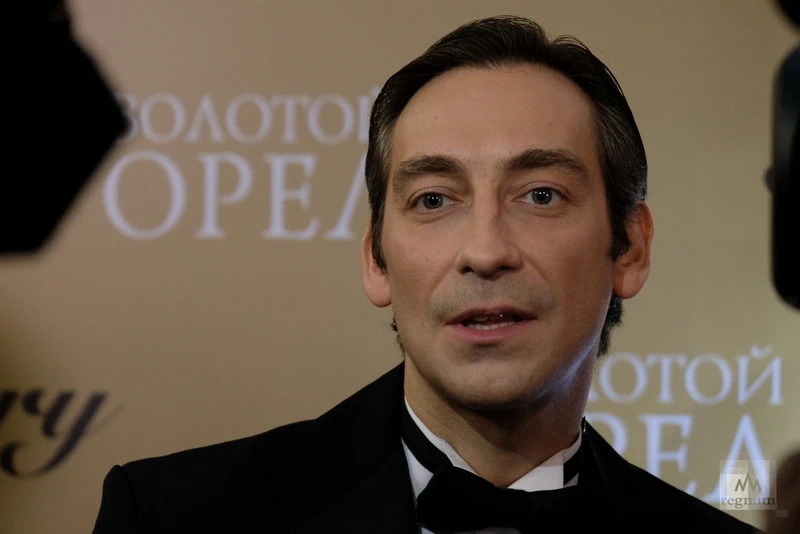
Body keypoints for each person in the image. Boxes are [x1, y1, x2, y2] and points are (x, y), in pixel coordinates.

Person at [93, 15, 761, 533]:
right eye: (434, 200)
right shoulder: (172, 516)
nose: (486, 251)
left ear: (630, 249)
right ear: (376, 260)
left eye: (541, 195)